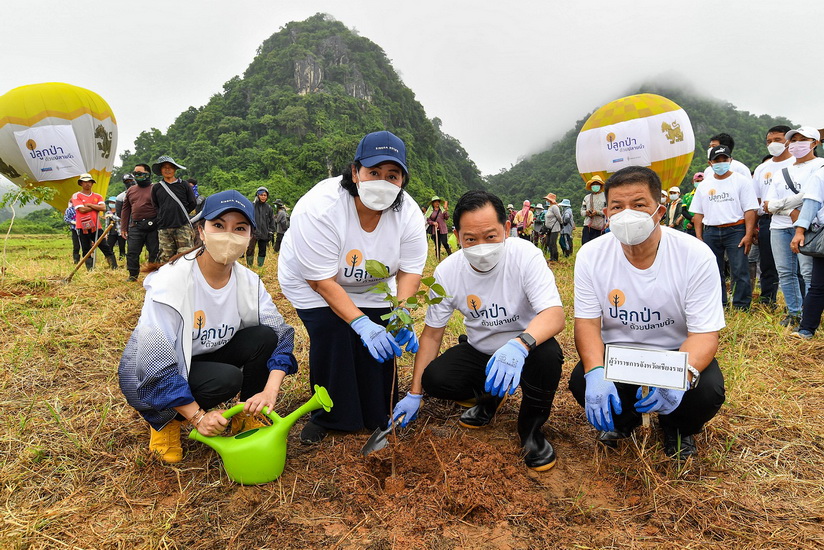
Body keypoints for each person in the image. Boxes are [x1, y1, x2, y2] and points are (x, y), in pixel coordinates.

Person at [118, 190, 298, 463]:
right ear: (201, 231)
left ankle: (249, 413)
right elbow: (154, 364)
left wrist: (270, 390)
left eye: (240, 228)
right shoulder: (172, 282)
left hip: (205, 356)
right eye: (218, 226)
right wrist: (198, 416)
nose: (229, 236)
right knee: (225, 380)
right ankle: (167, 422)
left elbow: (280, 335)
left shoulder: (249, 282)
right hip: (156, 369)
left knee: (264, 336)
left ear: (250, 236)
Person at [392, 190, 565, 471]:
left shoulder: (526, 256)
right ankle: (488, 399)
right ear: (457, 236)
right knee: (436, 378)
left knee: (548, 357)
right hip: (481, 349)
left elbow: (554, 315)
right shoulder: (448, 272)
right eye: (470, 239)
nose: (481, 246)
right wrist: (414, 393)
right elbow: (432, 334)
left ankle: (531, 431)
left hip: (526, 347)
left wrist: (520, 345)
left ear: (506, 229)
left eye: (490, 236)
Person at [277, 130, 427, 444]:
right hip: (311, 280)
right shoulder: (320, 207)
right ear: (355, 172)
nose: (382, 182)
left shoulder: (409, 215)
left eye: (392, 175)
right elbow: (320, 280)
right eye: (374, 172)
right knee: (333, 333)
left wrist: (400, 315)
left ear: (403, 181)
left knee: (380, 340)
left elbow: (410, 272)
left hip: (371, 282)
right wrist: (360, 323)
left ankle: (379, 412)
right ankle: (330, 415)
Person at [569, 166, 726, 460]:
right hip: (619, 352)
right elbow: (588, 324)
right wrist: (595, 371)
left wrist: (682, 373)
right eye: (617, 206)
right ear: (607, 212)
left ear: (660, 210)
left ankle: (676, 428)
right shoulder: (592, 255)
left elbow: (704, 333)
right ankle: (623, 423)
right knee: (581, 380)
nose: (627, 213)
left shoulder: (695, 255)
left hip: (674, 351)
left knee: (707, 391)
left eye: (639, 205)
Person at [764, 126, 824, 327]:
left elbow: (809, 196)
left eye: (803, 139)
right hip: (779, 227)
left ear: (815, 143)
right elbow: (767, 204)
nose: (797, 144)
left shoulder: (820, 166)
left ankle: (810, 316)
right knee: (785, 273)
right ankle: (794, 313)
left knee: (808, 273)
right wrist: (790, 211)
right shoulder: (782, 172)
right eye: (794, 139)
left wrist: (779, 205)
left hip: (809, 227)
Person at [690, 145, 758, 310]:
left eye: (724, 160)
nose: (721, 163)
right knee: (713, 270)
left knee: (739, 269)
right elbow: (698, 214)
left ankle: (741, 305)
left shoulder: (741, 181)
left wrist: (748, 234)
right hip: (711, 231)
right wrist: (699, 237)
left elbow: (750, 210)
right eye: (716, 160)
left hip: (736, 229)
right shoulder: (705, 185)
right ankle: (719, 304)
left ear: (730, 160)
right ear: (710, 163)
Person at [751, 126, 793, 307]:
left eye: (777, 140)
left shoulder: (796, 164)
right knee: (768, 264)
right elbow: (756, 201)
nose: (772, 144)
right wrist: (752, 227)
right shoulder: (762, 169)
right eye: (769, 141)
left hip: (794, 219)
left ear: (788, 141)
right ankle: (767, 301)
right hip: (767, 221)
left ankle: (799, 306)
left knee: (796, 267)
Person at [790, 164, 824, 339]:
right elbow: (811, 204)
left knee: (818, 286)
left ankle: (807, 329)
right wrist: (799, 231)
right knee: (819, 285)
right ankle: (807, 329)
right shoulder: (821, 174)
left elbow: (811, 204)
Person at [151, 155, 197, 263]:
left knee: (186, 256)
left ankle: (185, 279)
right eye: (164, 167)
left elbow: (192, 203)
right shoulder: (157, 187)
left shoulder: (184, 185)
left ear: (175, 169)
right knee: (166, 258)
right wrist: (163, 216)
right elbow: (155, 206)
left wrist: (181, 213)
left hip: (182, 226)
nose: (167, 170)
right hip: (164, 228)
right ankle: (168, 279)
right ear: (160, 170)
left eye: (170, 167)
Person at [70, 173, 118, 270]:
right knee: (86, 248)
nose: (87, 184)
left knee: (105, 246)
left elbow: (103, 208)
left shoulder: (98, 196)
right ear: (81, 183)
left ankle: (114, 267)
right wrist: (96, 207)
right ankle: (90, 269)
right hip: (82, 227)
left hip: (96, 226)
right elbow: (81, 210)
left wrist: (89, 205)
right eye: (85, 182)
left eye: (89, 182)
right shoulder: (76, 196)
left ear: (92, 183)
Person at [121, 163, 160, 282]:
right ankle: (133, 275)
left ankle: (153, 275)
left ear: (148, 174)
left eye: (140, 173)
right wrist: (123, 227)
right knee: (132, 252)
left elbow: (162, 207)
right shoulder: (131, 190)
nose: (137, 176)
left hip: (153, 225)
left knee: (154, 251)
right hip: (136, 226)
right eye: (135, 174)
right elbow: (125, 209)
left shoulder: (156, 188)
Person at [246, 186, 276, 267]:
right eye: (261, 195)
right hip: (253, 232)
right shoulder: (251, 206)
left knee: (262, 250)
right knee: (250, 249)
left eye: (265, 195)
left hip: (264, 232)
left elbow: (272, 221)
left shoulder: (269, 208)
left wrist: (271, 231)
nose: (263, 197)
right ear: (257, 195)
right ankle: (250, 266)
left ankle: (260, 267)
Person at [581, 175, 607, 245]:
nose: (595, 186)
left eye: (597, 184)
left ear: (601, 186)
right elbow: (582, 211)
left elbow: (608, 211)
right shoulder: (587, 197)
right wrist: (586, 213)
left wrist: (597, 212)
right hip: (588, 225)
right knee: (585, 245)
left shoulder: (605, 197)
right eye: (593, 184)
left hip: (600, 226)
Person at [543, 194, 563, 262]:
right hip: (549, 228)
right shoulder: (550, 207)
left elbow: (559, 217)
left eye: (548, 199)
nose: (547, 201)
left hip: (554, 228)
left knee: (552, 243)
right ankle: (552, 257)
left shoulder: (554, 207)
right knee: (548, 242)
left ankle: (555, 258)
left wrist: (561, 223)